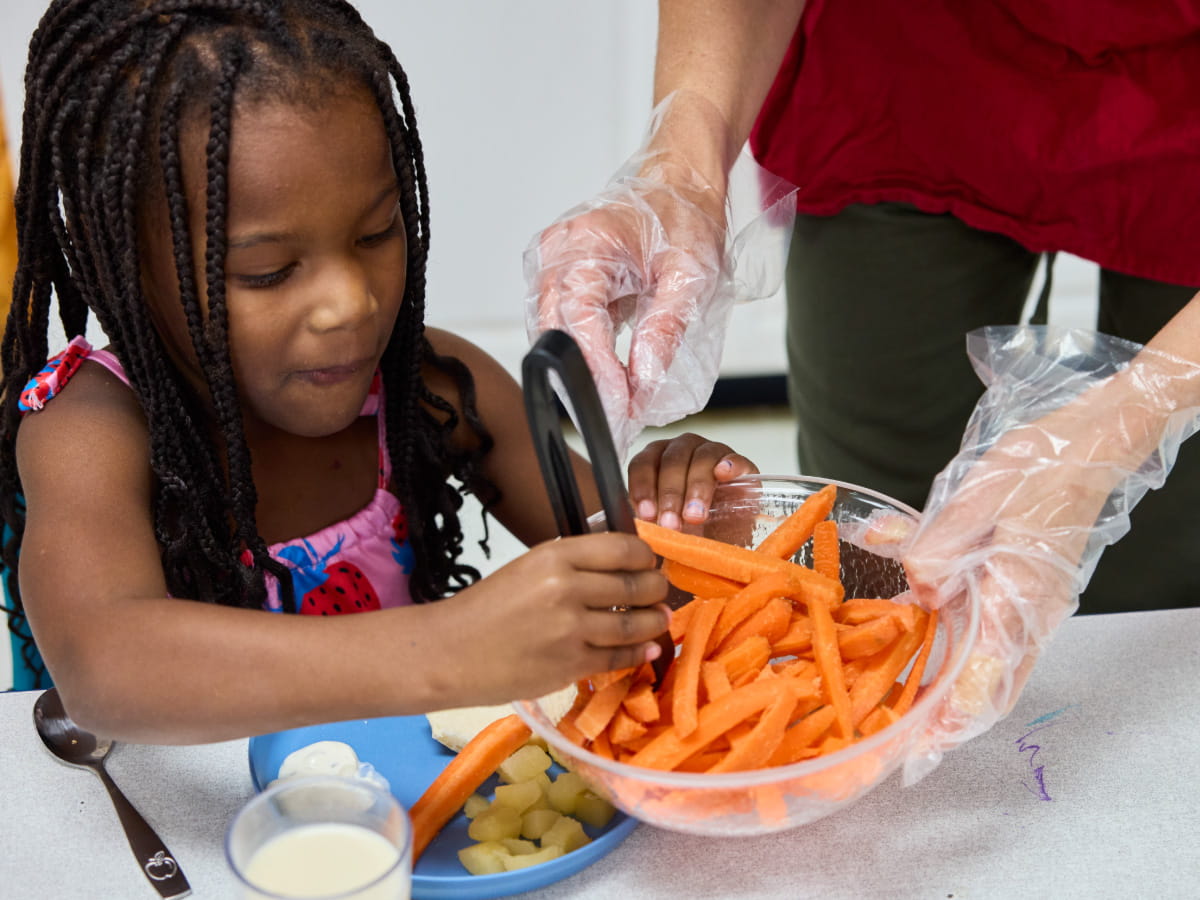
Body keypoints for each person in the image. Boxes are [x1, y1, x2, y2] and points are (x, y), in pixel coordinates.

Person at [0, 0, 759, 743]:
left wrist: (692, 521)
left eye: (377, 231)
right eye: (267, 271)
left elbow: (641, 579)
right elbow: (105, 668)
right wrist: (447, 649)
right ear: (129, 264)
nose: (350, 303)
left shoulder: (432, 385)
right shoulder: (89, 425)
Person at [527, 0, 1200, 617]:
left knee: (1161, 550)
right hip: (904, 60)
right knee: (866, 543)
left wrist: (1128, 417)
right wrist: (680, 171)